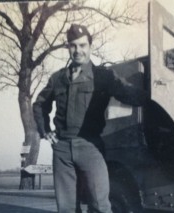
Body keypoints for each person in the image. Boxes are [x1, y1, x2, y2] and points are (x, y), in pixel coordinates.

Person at [33, 24, 147, 213]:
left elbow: (126, 92)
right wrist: (45, 131)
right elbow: (39, 105)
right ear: (68, 47)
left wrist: (151, 94)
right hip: (62, 150)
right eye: (73, 46)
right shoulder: (57, 78)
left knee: (100, 205)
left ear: (90, 47)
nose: (78, 51)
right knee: (66, 208)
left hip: (90, 146)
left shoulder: (103, 76)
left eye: (83, 45)